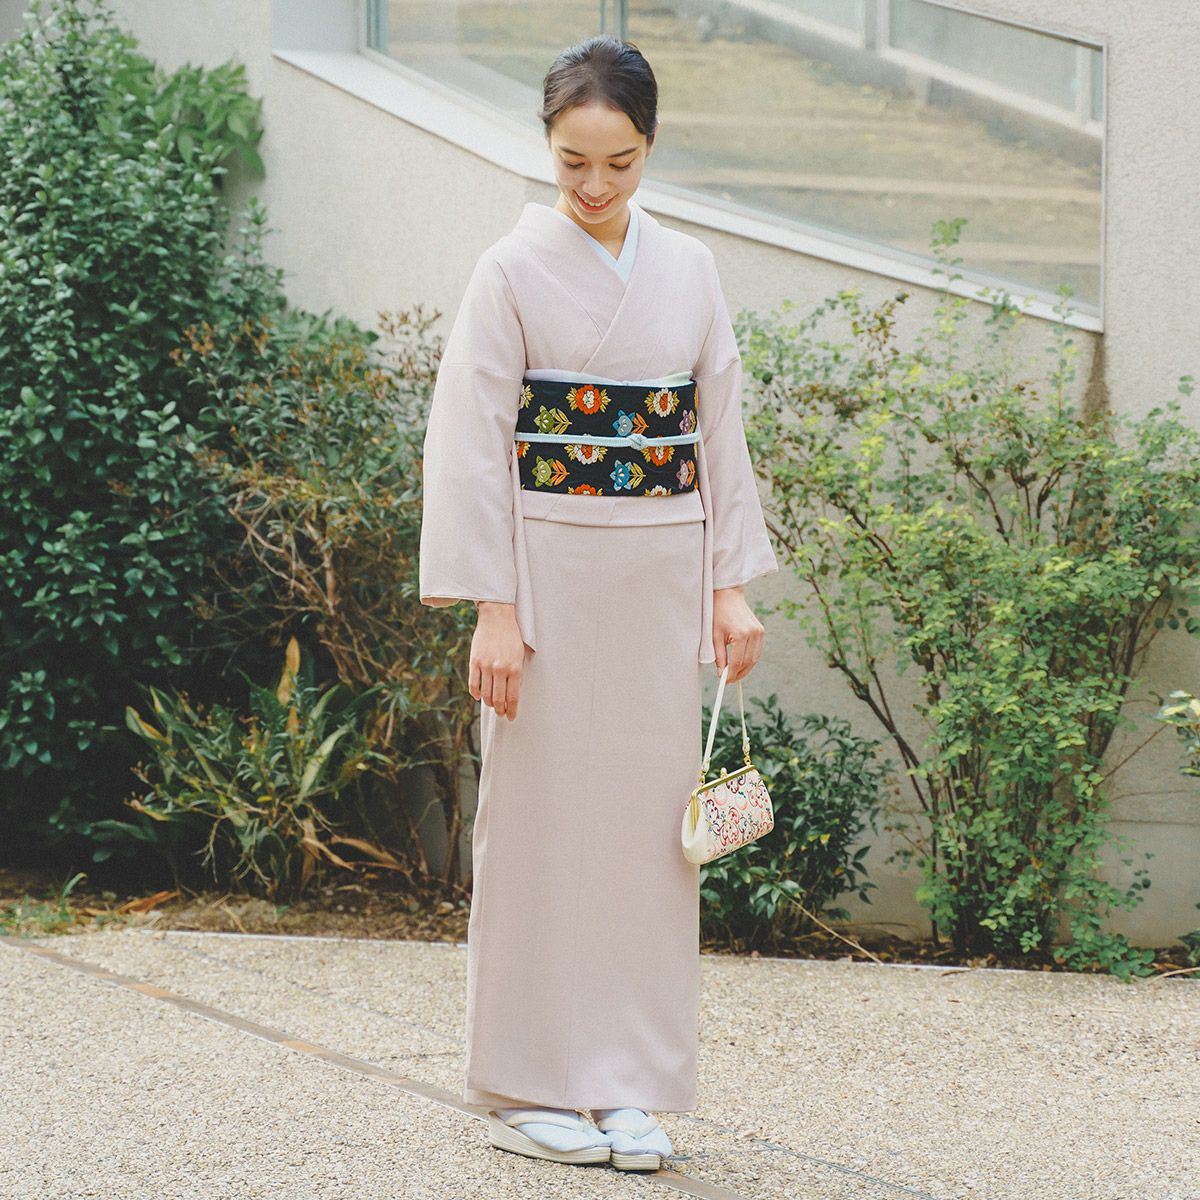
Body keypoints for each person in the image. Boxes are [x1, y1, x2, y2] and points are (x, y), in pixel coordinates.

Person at [418, 34, 777, 1172]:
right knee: (534, 828)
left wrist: (728, 589)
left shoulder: (692, 268)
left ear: (650, 147)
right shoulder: (509, 270)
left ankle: (626, 1081)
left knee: (645, 837)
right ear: (547, 147)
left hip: (661, 573)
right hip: (545, 579)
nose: (594, 186)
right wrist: (494, 608)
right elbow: (469, 443)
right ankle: (526, 1078)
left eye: (619, 163)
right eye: (573, 161)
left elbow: (716, 429)